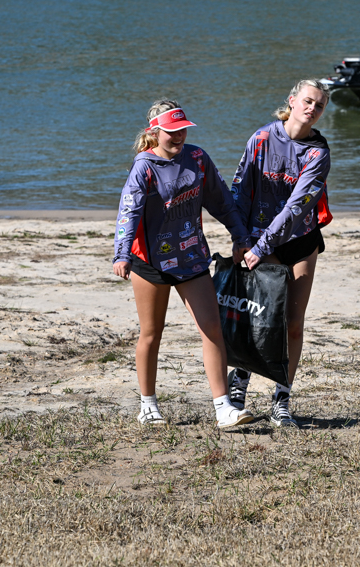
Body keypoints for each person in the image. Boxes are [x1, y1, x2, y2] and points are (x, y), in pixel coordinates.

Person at [113, 100, 255, 429]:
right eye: (171, 132)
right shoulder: (144, 167)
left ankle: (223, 408)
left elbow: (222, 201)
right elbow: (128, 212)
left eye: (183, 130)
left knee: (212, 329)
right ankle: (148, 406)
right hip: (150, 263)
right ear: (154, 132)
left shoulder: (197, 159)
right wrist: (122, 253)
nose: (178, 137)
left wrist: (240, 236)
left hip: (191, 257)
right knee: (151, 333)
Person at [226, 79, 333, 428]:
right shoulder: (261, 138)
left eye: (319, 105)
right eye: (307, 101)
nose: (312, 108)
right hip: (259, 241)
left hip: (299, 241)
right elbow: (240, 189)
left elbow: (296, 208)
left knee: (293, 324)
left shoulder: (318, 153)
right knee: (259, 320)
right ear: (292, 101)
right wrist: (240, 238)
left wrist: (260, 247)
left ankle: (282, 399)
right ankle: (239, 383)